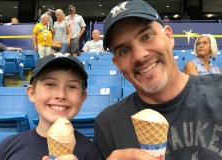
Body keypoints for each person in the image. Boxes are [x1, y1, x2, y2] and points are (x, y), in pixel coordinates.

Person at [94, 0, 222, 159]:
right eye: (124, 50)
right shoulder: (108, 124)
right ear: (117, 64)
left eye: (147, 36)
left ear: (168, 36)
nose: (140, 55)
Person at [0, 53, 103, 160]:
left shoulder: (91, 153)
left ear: (82, 98)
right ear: (32, 93)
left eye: (72, 86)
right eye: (50, 84)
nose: (61, 95)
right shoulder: (7, 147)